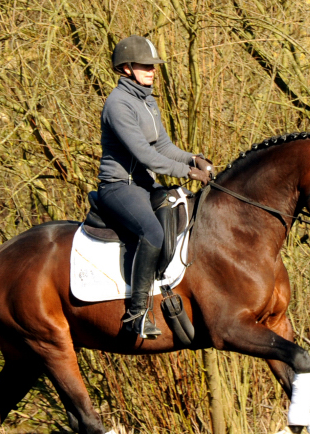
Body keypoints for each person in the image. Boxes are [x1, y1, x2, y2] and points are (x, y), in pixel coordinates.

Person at [97, 35, 212, 339]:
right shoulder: (118, 105)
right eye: (145, 66)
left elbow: (163, 145)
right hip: (119, 187)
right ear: (125, 68)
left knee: (183, 208)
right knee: (153, 232)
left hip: (145, 184)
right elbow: (146, 155)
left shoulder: (146, 101)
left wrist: (194, 158)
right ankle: (136, 313)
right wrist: (187, 172)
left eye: (153, 66)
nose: (152, 70)